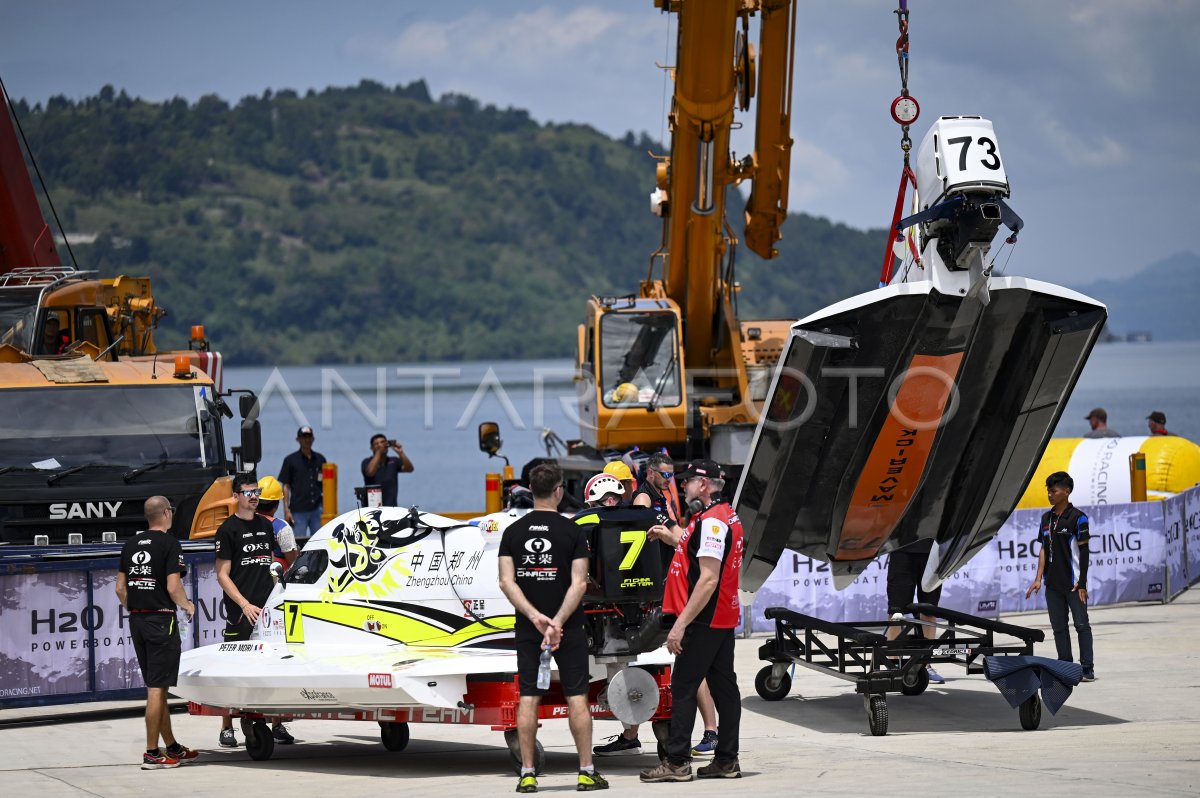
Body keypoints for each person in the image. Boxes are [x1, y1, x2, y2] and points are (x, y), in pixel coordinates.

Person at [596, 453, 719, 759]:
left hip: (663, 591)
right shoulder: (644, 501)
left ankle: (710, 730)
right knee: (645, 660)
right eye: (665, 476)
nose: (670, 481)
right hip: (659, 591)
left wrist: (686, 544)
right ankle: (633, 734)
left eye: (672, 476)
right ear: (649, 474)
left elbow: (674, 536)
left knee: (683, 659)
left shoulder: (656, 499)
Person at [498, 463, 608, 793]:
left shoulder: (512, 533)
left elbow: (506, 582)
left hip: (530, 629)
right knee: (577, 698)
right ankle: (586, 771)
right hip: (569, 628)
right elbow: (579, 583)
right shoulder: (572, 531)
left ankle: (528, 773)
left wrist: (536, 618)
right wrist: (557, 622)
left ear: (532, 491)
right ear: (558, 491)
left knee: (528, 698)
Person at [641, 460, 743, 782]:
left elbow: (709, 578)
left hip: (704, 619)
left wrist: (681, 623)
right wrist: (673, 539)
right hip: (720, 617)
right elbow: (702, 554)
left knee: (684, 686)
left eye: (686, 482)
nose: (681, 486)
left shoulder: (713, 522)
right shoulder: (720, 516)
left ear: (704, 485)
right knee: (724, 686)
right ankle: (726, 760)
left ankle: (677, 763)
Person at [116, 496, 199, 769]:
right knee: (156, 689)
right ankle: (152, 753)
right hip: (161, 621)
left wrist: (139, 605)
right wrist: (187, 605)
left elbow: (120, 589)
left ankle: (171, 747)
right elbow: (174, 587)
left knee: (157, 687)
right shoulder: (170, 543)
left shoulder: (129, 544)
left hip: (137, 621)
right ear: (166, 513)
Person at [214, 474, 280, 747]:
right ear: (236, 496)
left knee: (271, 666)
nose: (254, 496)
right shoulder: (228, 529)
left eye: (257, 491)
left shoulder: (266, 526)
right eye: (248, 492)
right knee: (234, 668)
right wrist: (243, 604)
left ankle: (273, 724)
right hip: (242, 610)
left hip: (267, 609)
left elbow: (272, 565)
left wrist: (277, 597)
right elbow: (221, 574)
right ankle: (226, 727)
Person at [1026, 471, 1095, 682]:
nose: (1050, 494)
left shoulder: (1078, 518)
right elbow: (1044, 550)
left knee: (1082, 625)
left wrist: (1082, 583)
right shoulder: (1046, 518)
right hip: (1052, 585)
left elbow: (1084, 551)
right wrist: (1038, 578)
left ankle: (1086, 668)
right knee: (1059, 628)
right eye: (1048, 490)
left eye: (1054, 490)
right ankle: (1065, 665)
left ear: (1067, 491)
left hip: (1074, 585)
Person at [883, 539, 946, 684]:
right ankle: (892, 665)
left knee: (929, 611)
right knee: (896, 613)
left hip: (933, 552)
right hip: (901, 549)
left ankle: (925, 665)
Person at [278, 426, 326, 543]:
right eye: (304, 437)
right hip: (298, 510)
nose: (307, 440)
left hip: (317, 509)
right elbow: (286, 486)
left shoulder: (320, 459)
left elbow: (327, 484)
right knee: (298, 542)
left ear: (313, 439)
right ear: (298, 439)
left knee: (320, 541)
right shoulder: (290, 460)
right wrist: (286, 510)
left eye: (309, 437)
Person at [361, 433, 414, 507]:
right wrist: (379, 452)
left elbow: (409, 469)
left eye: (383, 442)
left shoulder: (393, 461)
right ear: (372, 448)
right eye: (377, 444)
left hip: (391, 508)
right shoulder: (366, 462)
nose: (380, 445)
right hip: (371, 509)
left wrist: (400, 453)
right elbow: (370, 472)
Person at [256, 476, 298, 567]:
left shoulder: (243, 523)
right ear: (276, 505)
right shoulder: (281, 527)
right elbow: (293, 563)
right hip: (277, 579)